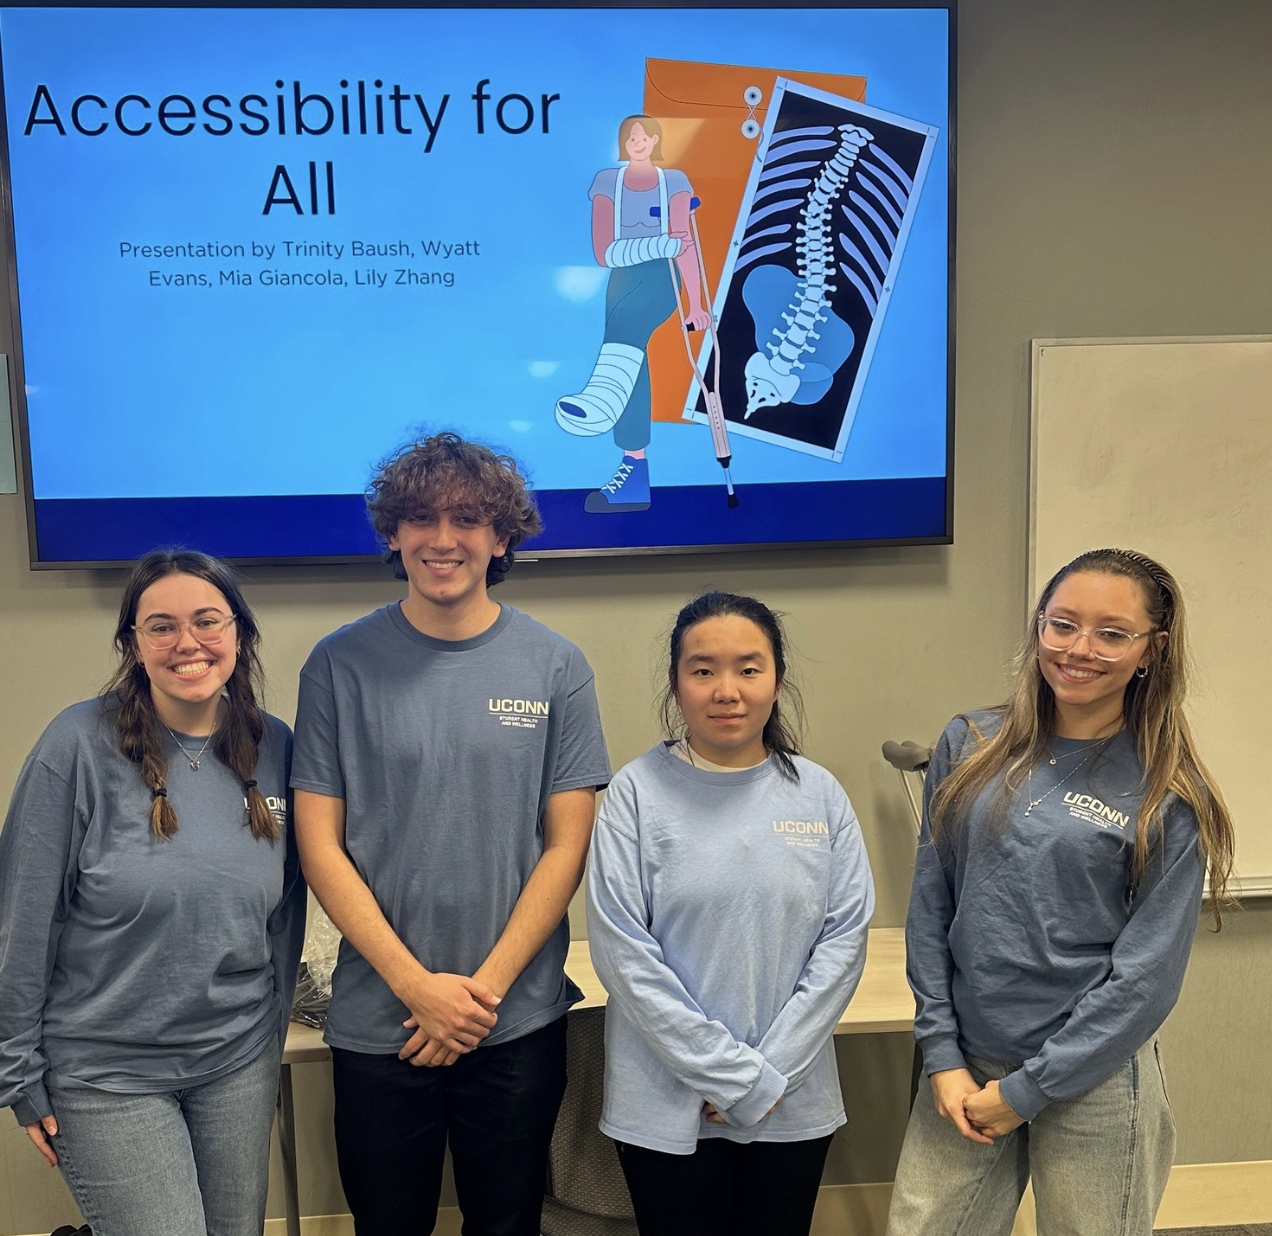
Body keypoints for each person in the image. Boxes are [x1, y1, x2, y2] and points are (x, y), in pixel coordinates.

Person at [291, 431, 612, 1236]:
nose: (443, 539)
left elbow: (567, 846)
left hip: (514, 1018)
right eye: (422, 518)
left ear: (501, 538)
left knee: (505, 1224)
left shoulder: (556, 666)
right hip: (381, 1019)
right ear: (391, 534)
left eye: (467, 519)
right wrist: (419, 991)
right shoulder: (338, 665)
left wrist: (480, 996)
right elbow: (318, 846)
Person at [885, 548, 1236, 1236]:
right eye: (1062, 624)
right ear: (1037, 627)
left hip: (1092, 1077)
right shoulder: (971, 743)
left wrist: (1031, 1090)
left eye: (1112, 633)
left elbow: (1146, 981)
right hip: (965, 1065)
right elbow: (931, 908)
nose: (1080, 650)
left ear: (1153, 651)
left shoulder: (1169, 795)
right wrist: (942, 1053)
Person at [0, 549, 306, 1236]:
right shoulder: (75, 746)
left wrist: (270, 1038)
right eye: (161, 626)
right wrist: (13, 1067)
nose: (187, 642)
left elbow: (284, 914)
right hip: (106, 1075)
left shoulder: (274, 746)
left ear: (240, 632)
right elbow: (24, 915)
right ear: (133, 643)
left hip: (236, 1062)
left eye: (207, 620)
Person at [586, 591, 875, 1236]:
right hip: (663, 1105)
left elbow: (843, 944)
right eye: (702, 670)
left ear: (777, 681)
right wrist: (735, 1077)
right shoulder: (635, 792)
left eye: (749, 668)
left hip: (788, 1098)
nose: (727, 690)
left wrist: (761, 1080)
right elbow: (621, 951)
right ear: (675, 684)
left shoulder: (819, 792)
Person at [555, 114, 712, 514]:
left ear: (656, 140)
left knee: (625, 336)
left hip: (660, 281)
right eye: (631, 136)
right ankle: (635, 474)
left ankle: (601, 399)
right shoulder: (608, 182)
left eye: (644, 135)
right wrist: (662, 243)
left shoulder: (673, 181)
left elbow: (686, 246)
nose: (637, 141)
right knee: (633, 364)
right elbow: (604, 251)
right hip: (621, 279)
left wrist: (695, 302)